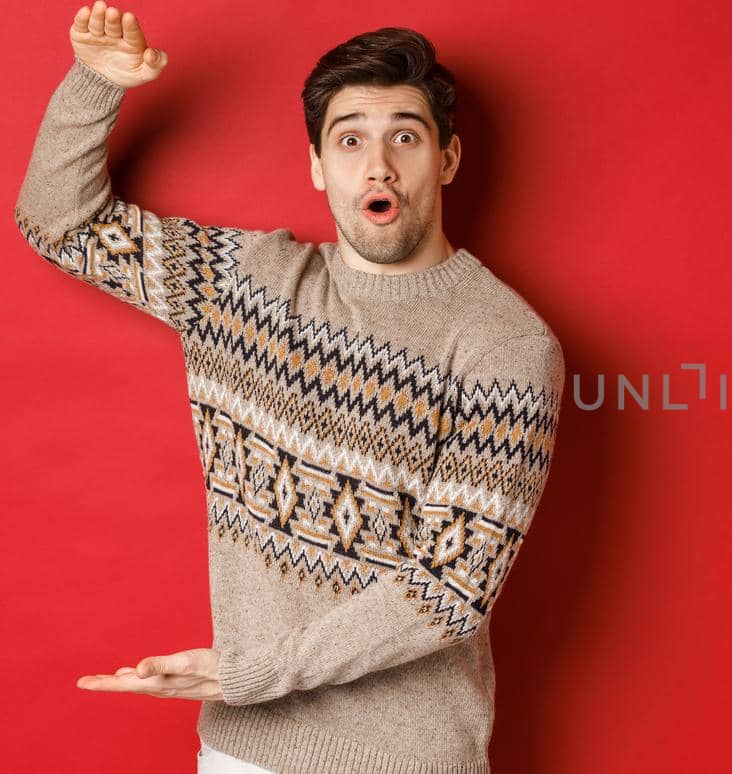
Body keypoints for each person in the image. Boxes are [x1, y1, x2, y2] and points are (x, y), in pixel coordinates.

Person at [15, 4, 565, 772]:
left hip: (402, 760)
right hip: (241, 752)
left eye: (405, 136)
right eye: (350, 141)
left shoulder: (503, 344)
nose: (378, 165)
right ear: (316, 165)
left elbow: (451, 587)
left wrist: (253, 675)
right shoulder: (244, 287)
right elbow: (59, 225)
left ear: (447, 159)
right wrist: (95, 85)